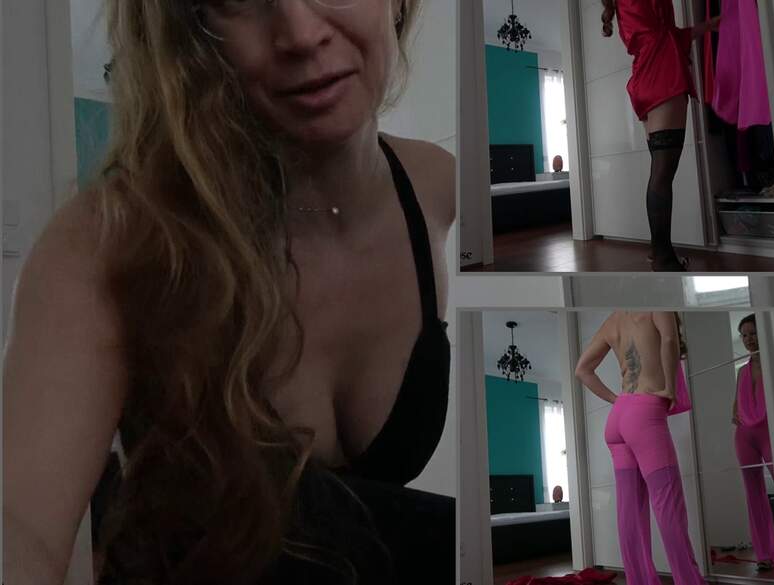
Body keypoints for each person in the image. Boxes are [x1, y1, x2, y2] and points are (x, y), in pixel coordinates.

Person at [3, 1, 455, 583]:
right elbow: (20, 527)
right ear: (193, 32)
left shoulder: (438, 187)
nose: (300, 33)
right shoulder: (108, 242)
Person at [575, 311, 706, 585]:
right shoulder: (657, 306)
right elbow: (669, 339)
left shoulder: (612, 320)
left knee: (629, 510)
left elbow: (582, 370)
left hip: (619, 417)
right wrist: (670, 389)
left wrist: (617, 400)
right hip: (645, 413)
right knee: (669, 506)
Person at [601, 0, 720, 271]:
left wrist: (709, 25)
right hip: (662, 70)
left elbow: (664, 32)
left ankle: (659, 252)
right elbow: (666, 34)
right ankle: (664, 259)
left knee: (660, 172)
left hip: (645, 74)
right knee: (663, 174)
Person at [733, 314, 774, 572]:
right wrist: (736, 414)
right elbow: (735, 408)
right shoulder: (742, 371)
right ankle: (765, 555)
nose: (749, 339)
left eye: (753, 333)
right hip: (745, 436)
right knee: (754, 495)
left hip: (770, 432)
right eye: (744, 335)